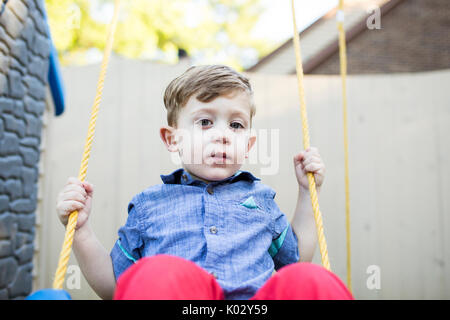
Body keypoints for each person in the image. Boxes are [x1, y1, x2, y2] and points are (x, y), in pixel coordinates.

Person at [56, 65, 353, 300]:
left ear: (248, 145)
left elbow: (297, 259)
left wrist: (306, 192)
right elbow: (116, 286)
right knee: (156, 273)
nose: (222, 134)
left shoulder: (260, 200)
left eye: (235, 125)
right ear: (172, 139)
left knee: (311, 279)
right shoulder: (149, 206)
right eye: (205, 122)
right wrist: (80, 232)